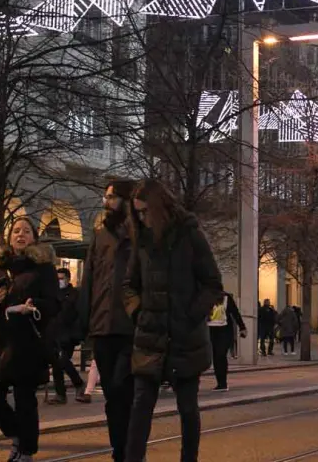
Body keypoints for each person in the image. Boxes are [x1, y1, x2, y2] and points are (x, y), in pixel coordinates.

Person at [123, 180, 224, 462]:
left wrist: (190, 315)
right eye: (137, 213)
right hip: (149, 338)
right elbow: (129, 285)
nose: (141, 218)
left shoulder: (190, 235)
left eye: (145, 211)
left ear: (158, 208)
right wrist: (138, 312)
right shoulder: (141, 240)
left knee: (188, 409)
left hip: (185, 339)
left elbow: (213, 284)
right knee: (140, 406)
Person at [0, 217, 58, 462]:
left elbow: (55, 304)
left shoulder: (43, 268)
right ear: (9, 237)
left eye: (26, 231)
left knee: (25, 400)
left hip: (27, 342)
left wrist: (34, 306)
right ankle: (17, 435)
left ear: (34, 237)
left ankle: (26, 450)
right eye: (15, 231)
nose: (20, 235)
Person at [77, 180, 137, 462]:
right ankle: (119, 451)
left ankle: (130, 452)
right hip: (103, 327)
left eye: (112, 197)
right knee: (113, 395)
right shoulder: (100, 236)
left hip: (132, 329)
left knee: (126, 391)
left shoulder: (142, 234)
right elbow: (89, 280)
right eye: (106, 196)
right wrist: (83, 321)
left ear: (127, 199)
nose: (106, 201)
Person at [47, 268, 84, 404]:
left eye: (62, 278)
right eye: (57, 279)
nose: (59, 281)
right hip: (55, 333)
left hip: (68, 335)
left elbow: (77, 314)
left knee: (62, 361)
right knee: (57, 364)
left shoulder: (74, 294)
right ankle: (60, 394)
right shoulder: (54, 294)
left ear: (68, 279)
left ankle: (78, 383)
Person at [208, 291, 246, 391]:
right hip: (210, 330)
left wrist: (242, 327)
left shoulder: (226, 297)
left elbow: (235, 312)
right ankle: (220, 383)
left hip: (224, 330)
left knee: (220, 355)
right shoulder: (204, 296)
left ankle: (222, 383)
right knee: (215, 356)